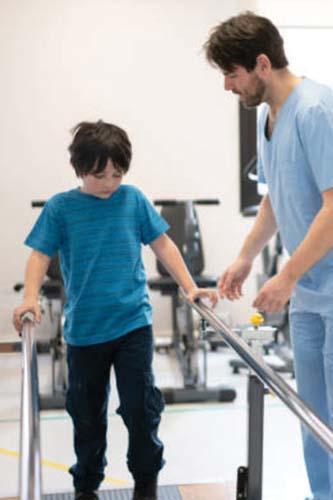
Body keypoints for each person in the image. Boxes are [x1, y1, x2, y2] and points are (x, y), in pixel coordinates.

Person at [12, 120, 217, 500]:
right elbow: (40, 255)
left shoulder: (133, 199)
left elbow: (164, 245)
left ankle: (146, 480)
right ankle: (86, 484)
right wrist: (30, 298)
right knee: (86, 415)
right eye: (99, 175)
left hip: (132, 325)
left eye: (117, 174)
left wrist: (190, 288)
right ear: (79, 168)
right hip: (84, 332)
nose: (109, 183)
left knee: (140, 407)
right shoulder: (61, 208)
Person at [204, 11, 333, 500]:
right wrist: (243, 257)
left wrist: (286, 276)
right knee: (311, 415)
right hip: (309, 296)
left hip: (326, 289)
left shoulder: (316, 110)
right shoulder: (268, 118)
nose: (227, 87)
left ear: (261, 64)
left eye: (231, 74)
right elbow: (276, 197)